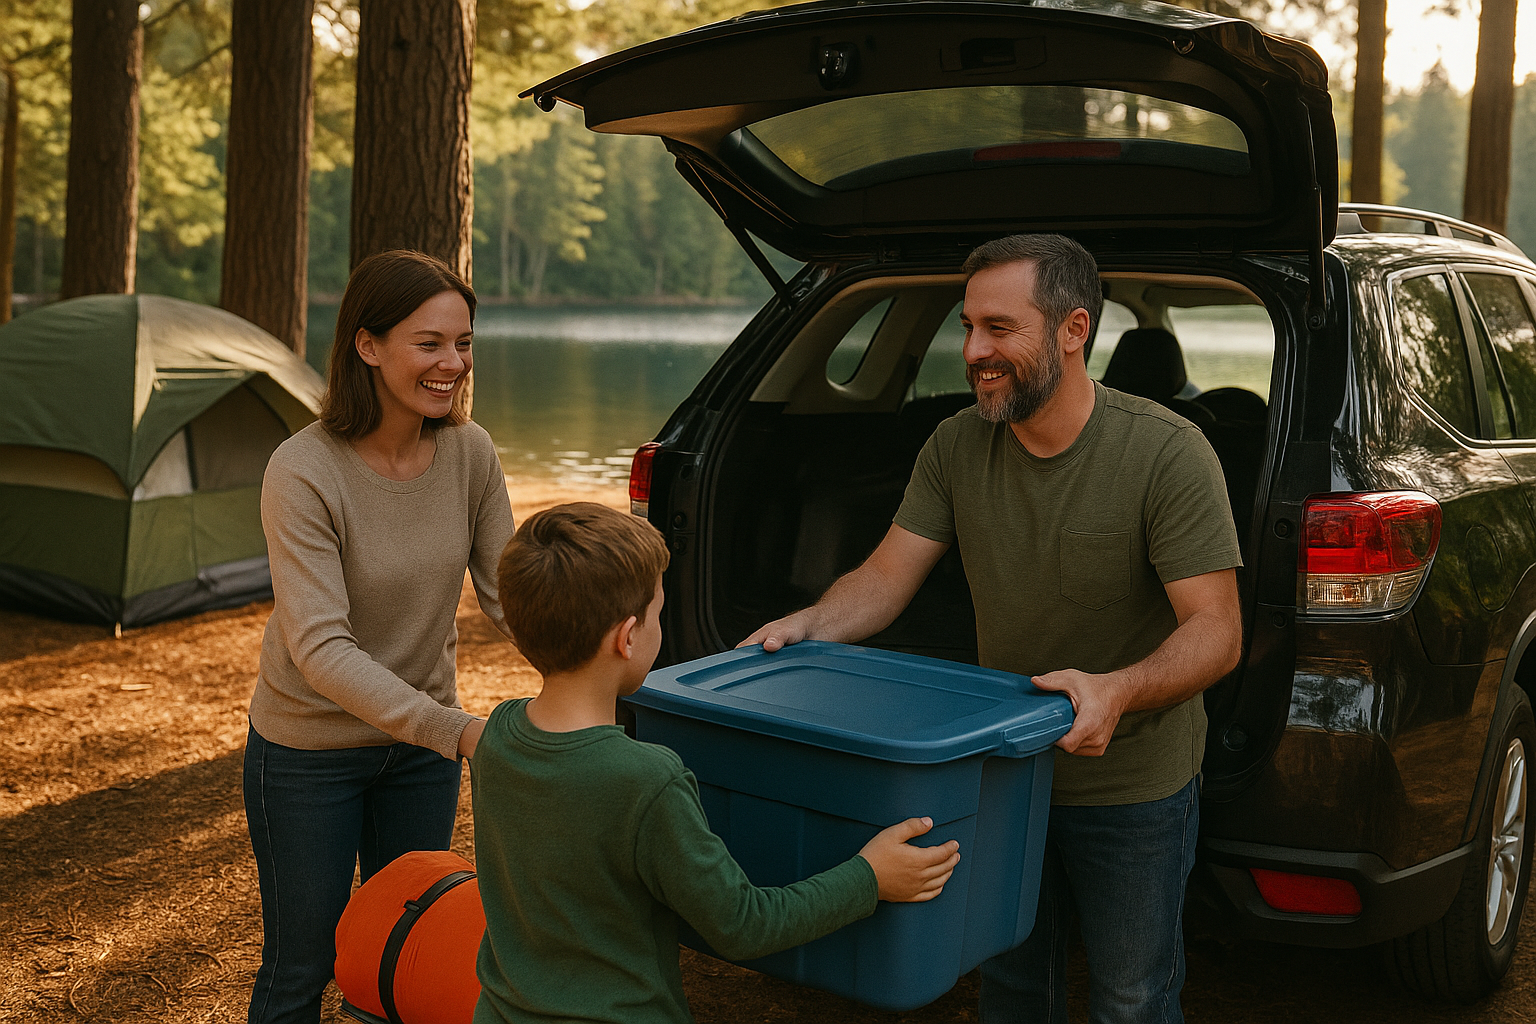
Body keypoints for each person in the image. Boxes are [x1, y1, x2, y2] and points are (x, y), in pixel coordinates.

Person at [741, 233, 1244, 1024]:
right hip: (1003, 775)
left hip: (1134, 782)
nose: (974, 350)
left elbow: (1217, 629)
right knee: (1010, 988)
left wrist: (1118, 690)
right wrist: (806, 627)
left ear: (1073, 331)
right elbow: (884, 577)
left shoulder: (1168, 454)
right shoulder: (955, 444)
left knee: (1132, 997)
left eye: (999, 328)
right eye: (969, 325)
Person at [468, 502, 962, 1024]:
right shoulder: (646, 780)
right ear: (628, 636)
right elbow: (743, 926)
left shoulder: (499, 734)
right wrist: (870, 877)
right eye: (658, 613)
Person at [243, 249, 516, 1024]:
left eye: (463, 343)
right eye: (429, 343)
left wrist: (604, 665)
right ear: (367, 345)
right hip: (308, 754)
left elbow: (512, 595)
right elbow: (320, 648)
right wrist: (457, 731)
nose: (453, 364)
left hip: (420, 760)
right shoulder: (303, 469)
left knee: (413, 957)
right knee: (305, 965)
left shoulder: (471, 452)